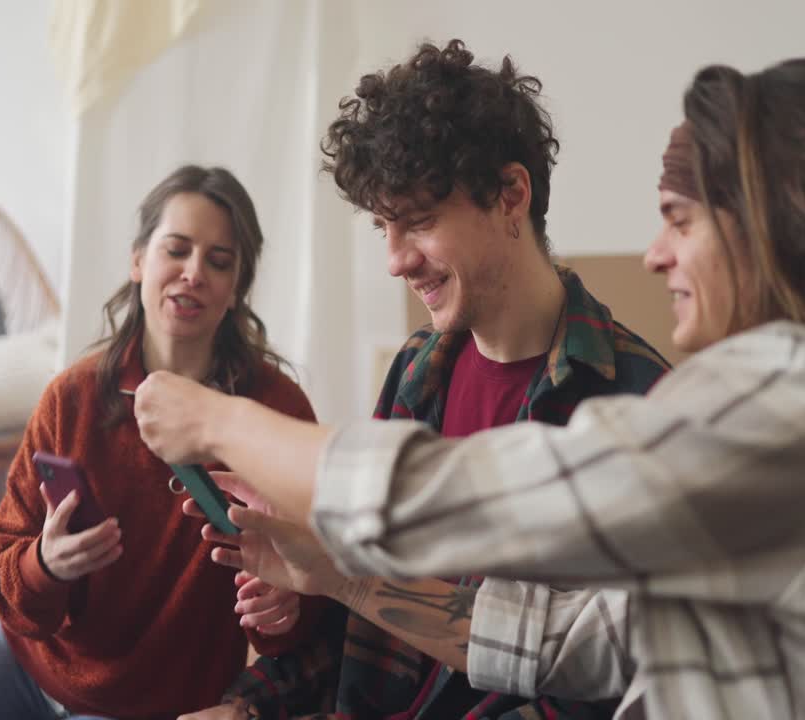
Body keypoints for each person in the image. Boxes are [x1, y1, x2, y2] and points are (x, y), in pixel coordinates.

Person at [133, 59, 805, 719]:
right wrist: (334, 583)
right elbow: (582, 636)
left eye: (679, 220)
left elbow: (459, 499)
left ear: (780, 223)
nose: (654, 254)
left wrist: (218, 418)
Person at [177, 39, 670, 720]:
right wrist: (251, 706)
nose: (395, 261)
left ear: (510, 196)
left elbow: (603, 689)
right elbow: (372, 621)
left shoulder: (636, 404)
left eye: (418, 223)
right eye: (383, 227)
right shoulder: (417, 374)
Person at [0, 165, 324, 720]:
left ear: (238, 287)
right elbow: (3, 577)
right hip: (25, 660)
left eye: (219, 261)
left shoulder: (275, 415)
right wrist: (45, 562)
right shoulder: (73, 398)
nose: (193, 273)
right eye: (177, 250)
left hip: (154, 705)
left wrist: (285, 608)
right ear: (139, 261)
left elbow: (311, 621)